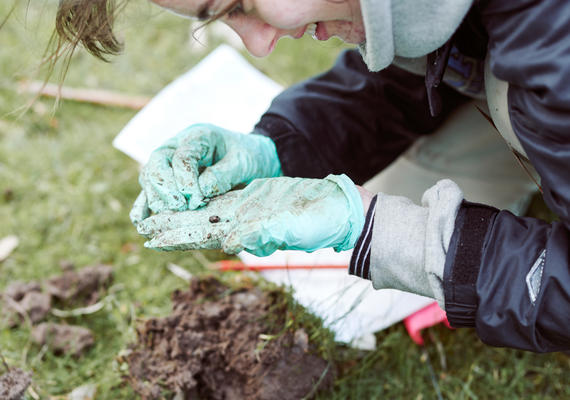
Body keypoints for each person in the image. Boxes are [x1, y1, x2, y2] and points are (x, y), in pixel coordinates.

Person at [54, 0, 570, 352]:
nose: (257, 43)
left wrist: (392, 235)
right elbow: (429, 71)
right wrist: (275, 149)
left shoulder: (556, 49)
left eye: (238, 5)